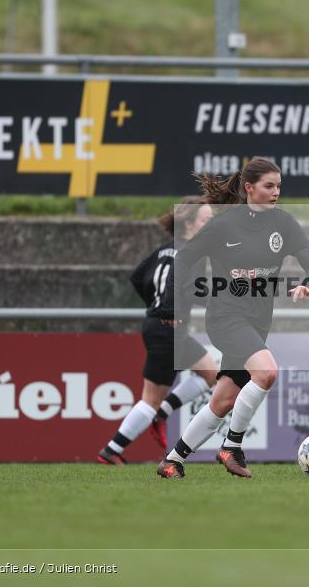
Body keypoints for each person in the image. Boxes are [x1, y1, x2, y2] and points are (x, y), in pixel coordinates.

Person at [155, 157, 309, 479]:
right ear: (249, 188)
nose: (276, 192)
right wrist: (171, 306)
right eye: (269, 186)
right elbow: (184, 259)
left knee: (223, 400)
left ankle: (172, 461)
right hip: (226, 318)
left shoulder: (284, 224)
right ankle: (231, 447)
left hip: (258, 322)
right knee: (268, 373)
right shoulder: (223, 225)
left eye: (279, 186)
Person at [97, 197, 219, 465]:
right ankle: (116, 446)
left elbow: (137, 277)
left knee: (208, 373)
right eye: (206, 220)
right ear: (189, 223)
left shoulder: (164, 250)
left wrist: (155, 304)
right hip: (168, 328)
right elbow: (195, 292)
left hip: (155, 325)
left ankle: (118, 445)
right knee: (155, 398)